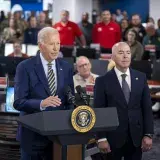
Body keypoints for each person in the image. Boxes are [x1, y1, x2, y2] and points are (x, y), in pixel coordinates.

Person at [13, 27, 74, 160]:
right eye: (52, 44)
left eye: (58, 43)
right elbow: (18, 102)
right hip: (32, 137)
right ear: (41, 46)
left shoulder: (67, 67)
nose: (56, 48)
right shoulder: (25, 67)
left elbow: (70, 99)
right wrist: (41, 103)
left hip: (58, 138)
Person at [94, 42, 154, 160]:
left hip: (136, 137)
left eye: (128, 53)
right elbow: (98, 111)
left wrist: (148, 134)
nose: (125, 56)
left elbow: (146, 107)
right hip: (112, 138)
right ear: (112, 57)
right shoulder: (102, 81)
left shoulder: (141, 77)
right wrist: (101, 138)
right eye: (121, 53)